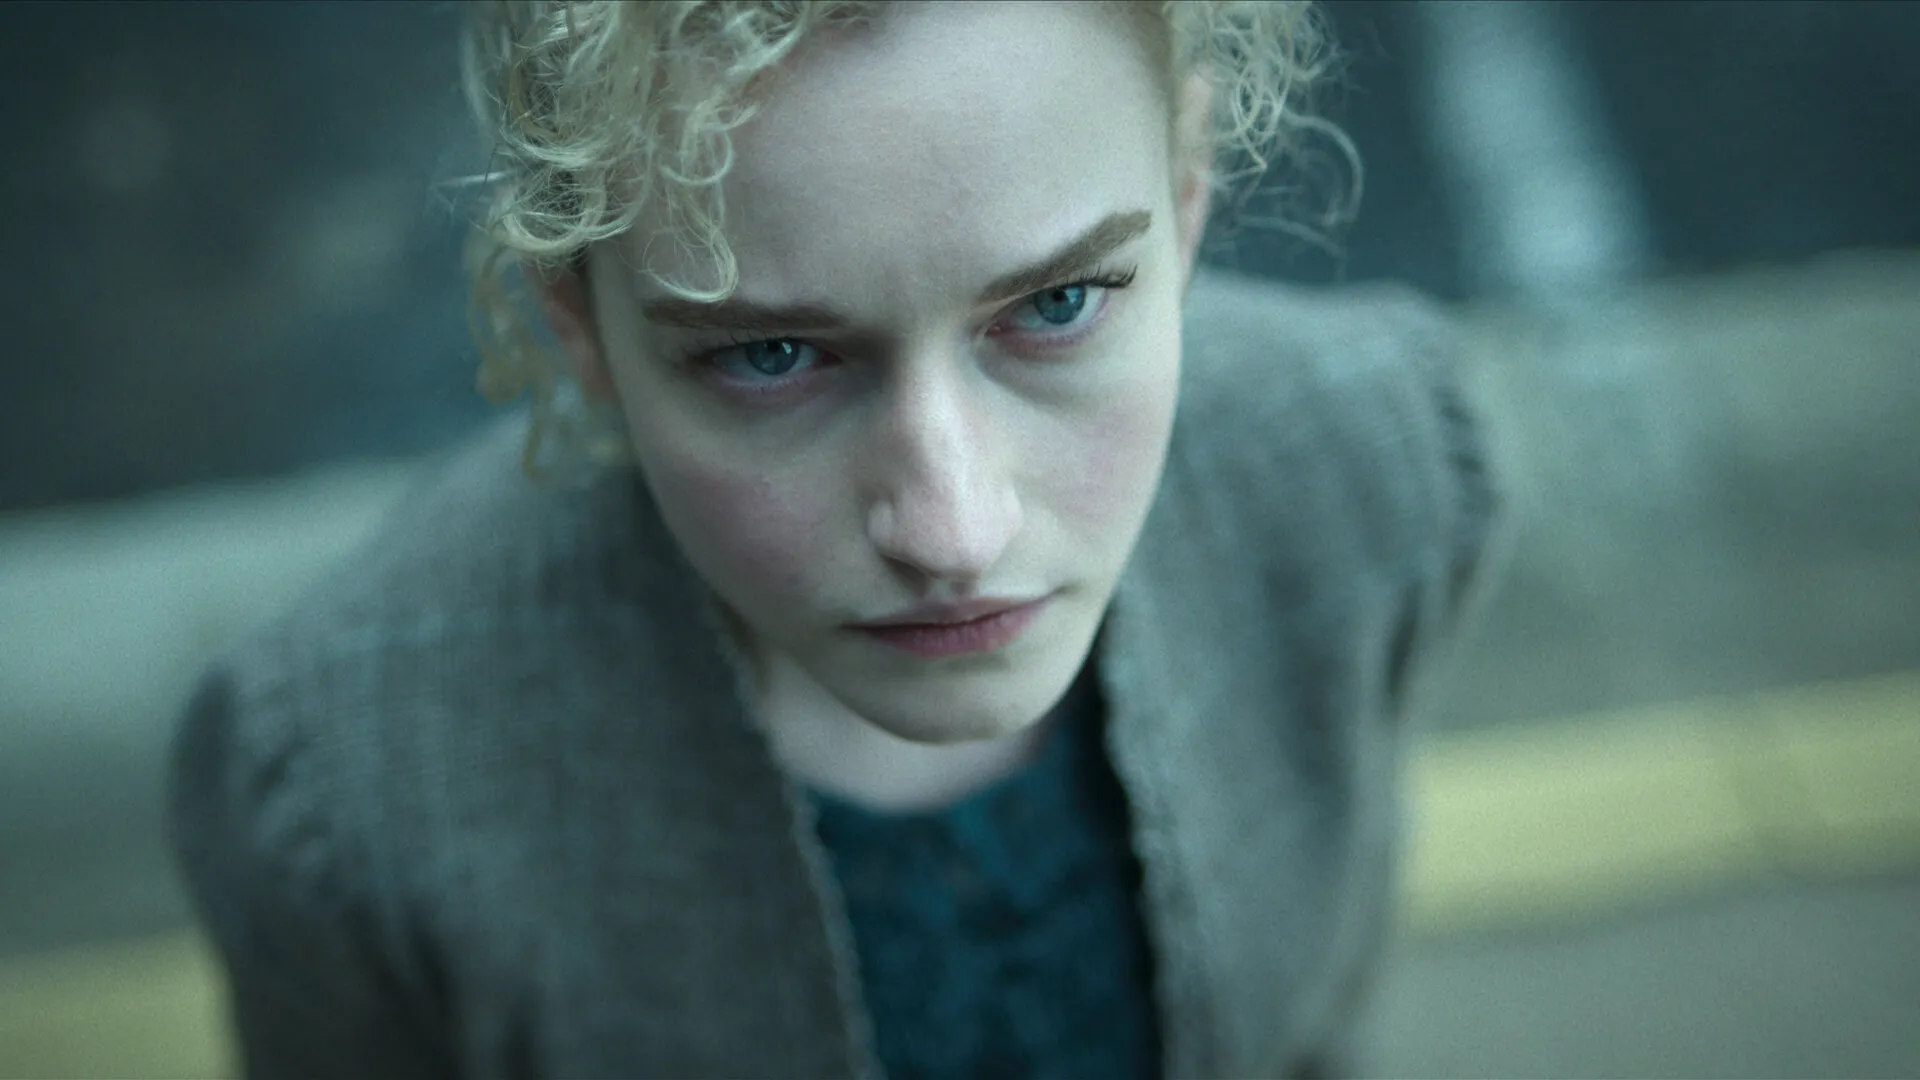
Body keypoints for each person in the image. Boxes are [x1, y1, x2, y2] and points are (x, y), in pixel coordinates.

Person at [169, 2, 1503, 1078]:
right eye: (770, 355)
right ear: (582, 326)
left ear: (1190, 192)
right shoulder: (348, 787)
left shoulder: (1368, 479)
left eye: (1059, 305)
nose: (952, 531)